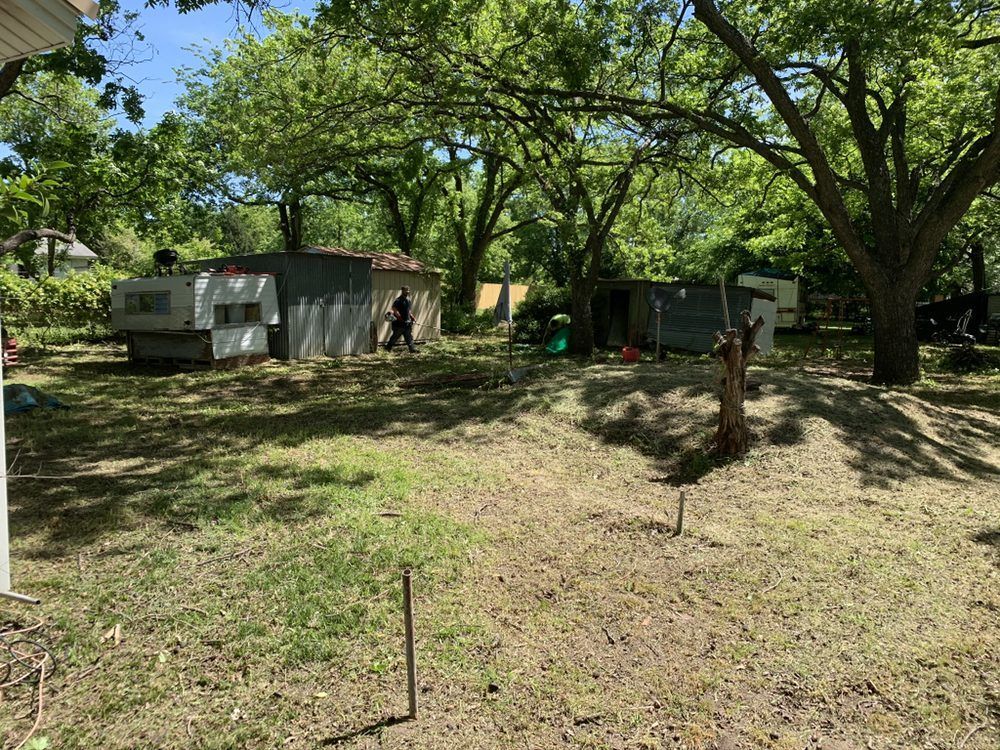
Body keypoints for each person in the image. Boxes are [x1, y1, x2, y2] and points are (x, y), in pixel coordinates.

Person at [387, 285, 419, 353]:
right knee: (395, 337)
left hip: (407, 323)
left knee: (409, 337)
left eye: (408, 290)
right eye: (406, 290)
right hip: (398, 324)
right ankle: (387, 349)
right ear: (402, 291)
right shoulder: (398, 300)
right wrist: (400, 318)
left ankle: (412, 349)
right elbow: (394, 309)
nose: (407, 291)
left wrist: (412, 318)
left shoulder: (408, 300)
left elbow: (409, 311)